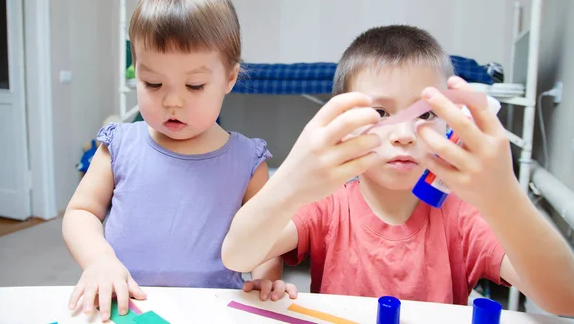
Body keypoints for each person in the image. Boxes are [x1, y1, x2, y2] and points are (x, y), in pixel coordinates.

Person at [221, 25, 574, 315]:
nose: (404, 135)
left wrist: (505, 198)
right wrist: (291, 183)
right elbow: (238, 255)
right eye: (380, 114)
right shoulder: (329, 206)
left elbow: (565, 298)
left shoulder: (463, 218)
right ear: (344, 120)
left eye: (425, 114)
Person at [62, 0, 297, 322]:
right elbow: (81, 213)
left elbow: (267, 235)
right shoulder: (120, 144)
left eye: (195, 85)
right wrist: (100, 262)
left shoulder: (247, 160)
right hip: (126, 303)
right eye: (152, 83)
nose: (172, 100)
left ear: (229, 79)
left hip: (214, 309)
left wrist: (266, 279)